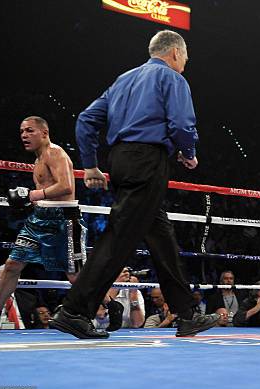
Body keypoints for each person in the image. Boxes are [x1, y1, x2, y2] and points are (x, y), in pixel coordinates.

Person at [49, 30, 219, 339]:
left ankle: (187, 314)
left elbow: (86, 120)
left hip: (121, 161)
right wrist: (189, 152)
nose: (184, 66)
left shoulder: (122, 80)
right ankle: (74, 310)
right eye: (185, 61)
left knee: (161, 236)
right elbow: (181, 123)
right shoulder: (172, 78)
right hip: (148, 160)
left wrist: (91, 164)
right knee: (119, 238)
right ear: (176, 54)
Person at [0, 116, 85, 333]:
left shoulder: (55, 153)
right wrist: (31, 202)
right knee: (12, 265)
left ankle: (97, 310)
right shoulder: (38, 159)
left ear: (44, 133)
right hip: (39, 219)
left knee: (74, 275)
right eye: (22, 131)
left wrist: (31, 194)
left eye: (30, 130)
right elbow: (46, 192)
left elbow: (67, 187)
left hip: (62, 219)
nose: (24, 135)